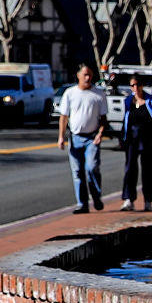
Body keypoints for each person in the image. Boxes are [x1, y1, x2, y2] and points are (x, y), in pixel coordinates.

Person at [57, 64, 109, 213]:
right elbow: (64, 117)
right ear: (78, 75)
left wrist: (100, 133)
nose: (88, 78)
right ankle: (82, 204)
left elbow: (104, 118)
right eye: (85, 75)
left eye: (90, 75)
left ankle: (96, 196)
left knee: (92, 168)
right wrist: (61, 136)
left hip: (92, 138)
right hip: (75, 137)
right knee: (78, 172)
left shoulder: (98, 94)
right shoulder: (70, 93)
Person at [117, 74, 152, 212]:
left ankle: (148, 201)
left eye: (137, 85)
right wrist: (123, 138)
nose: (135, 88)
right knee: (130, 169)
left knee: (148, 170)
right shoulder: (128, 101)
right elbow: (125, 120)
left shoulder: (151, 100)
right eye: (132, 85)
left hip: (147, 139)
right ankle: (128, 199)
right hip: (132, 139)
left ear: (142, 85)